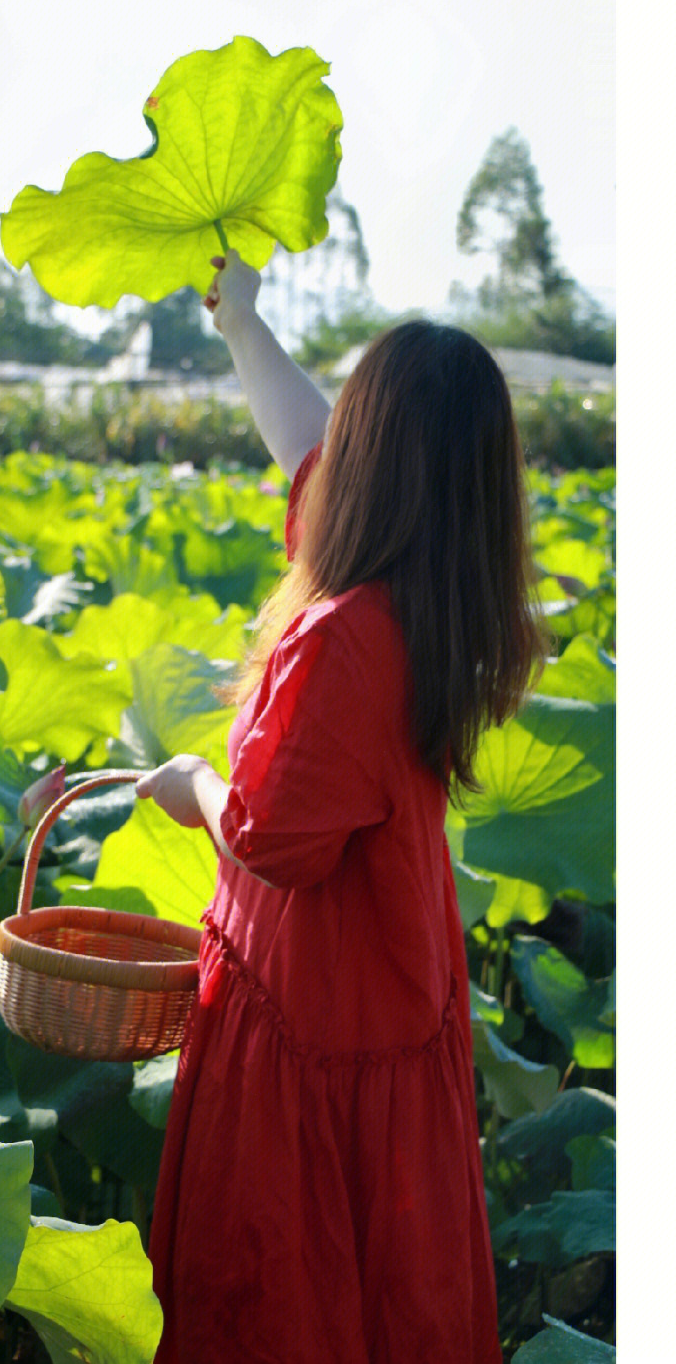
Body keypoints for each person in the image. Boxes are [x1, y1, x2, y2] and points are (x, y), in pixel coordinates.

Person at [134, 251, 546, 1363]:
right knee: (381, 1297)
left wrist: (193, 786)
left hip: (309, 1014)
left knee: (288, 1300)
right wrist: (244, 327)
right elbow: (302, 439)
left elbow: (272, 838)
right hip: (384, 1000)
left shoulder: (341, 632)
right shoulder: (431, 589)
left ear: (371, 458)